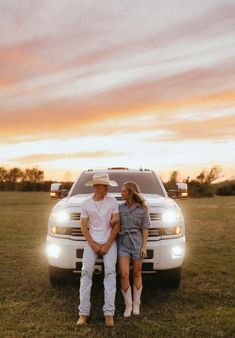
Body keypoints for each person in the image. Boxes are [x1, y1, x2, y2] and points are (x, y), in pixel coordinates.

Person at [76, 173, 120, 328]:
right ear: (96, 187)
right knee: (86, 272)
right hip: (91, 242)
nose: (107, 188)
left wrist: (108, 244)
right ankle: (83, 313)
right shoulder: (86, 203)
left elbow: (117, 225)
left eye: (108, 185)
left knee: (110, 272)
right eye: (104, 185)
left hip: (109, 242)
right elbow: (83, 226)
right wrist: (93, 245)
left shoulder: (112, 201)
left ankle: (109, 313)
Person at [117, 181, 150, 317]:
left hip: (137, 242)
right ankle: (128, 305)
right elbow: (115, 223)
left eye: (124, 191)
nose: (121, 193)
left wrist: (144, 247)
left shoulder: (143, 208)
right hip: (123, 242)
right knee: (124, 273)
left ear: (130, 193)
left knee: (137, 272)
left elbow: (145, 228)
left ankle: (137, 304)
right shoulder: (120, 208)